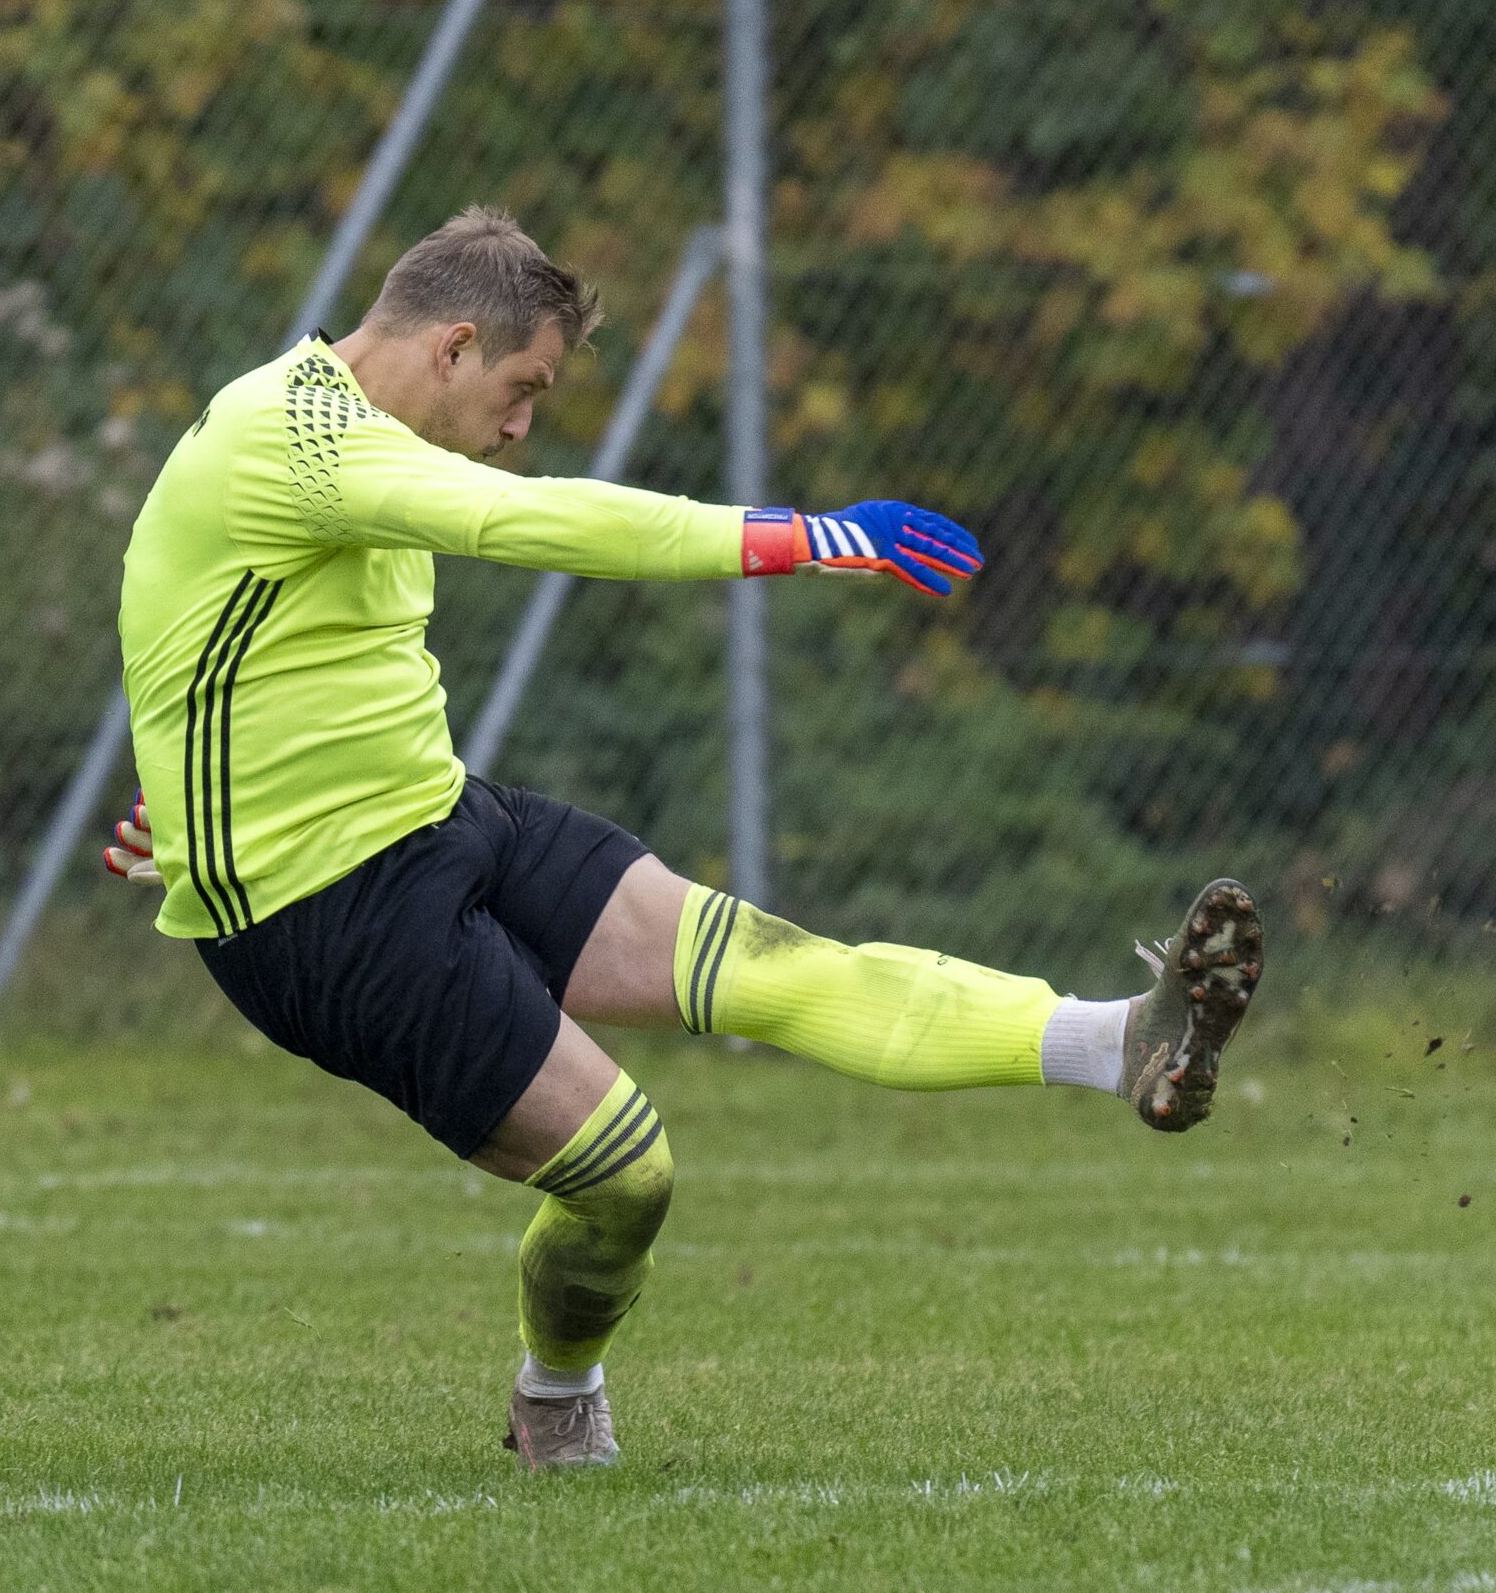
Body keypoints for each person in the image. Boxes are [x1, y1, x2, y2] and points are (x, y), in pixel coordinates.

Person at [100, 205, 1266, 1471]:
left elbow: (228, 631)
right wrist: (803, 537)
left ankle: (1121, 1039)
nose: (520, 426)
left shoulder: (342, 434)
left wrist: (203, 787)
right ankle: (558, 1390)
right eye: (522, 386)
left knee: (775, 962)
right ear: (449, 347)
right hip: (325, 915)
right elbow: (534, 524)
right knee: (628, 1175)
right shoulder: (297, 436)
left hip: (437, 815)